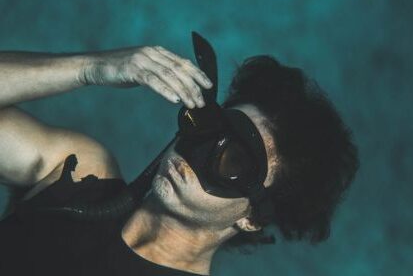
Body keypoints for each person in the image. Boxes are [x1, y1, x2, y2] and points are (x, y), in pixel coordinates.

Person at [0, 38, 359, 275]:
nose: (193, 154)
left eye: (232, 161)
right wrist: (90, 68)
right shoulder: (79, 171)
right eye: (207, 126)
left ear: (252, 218)